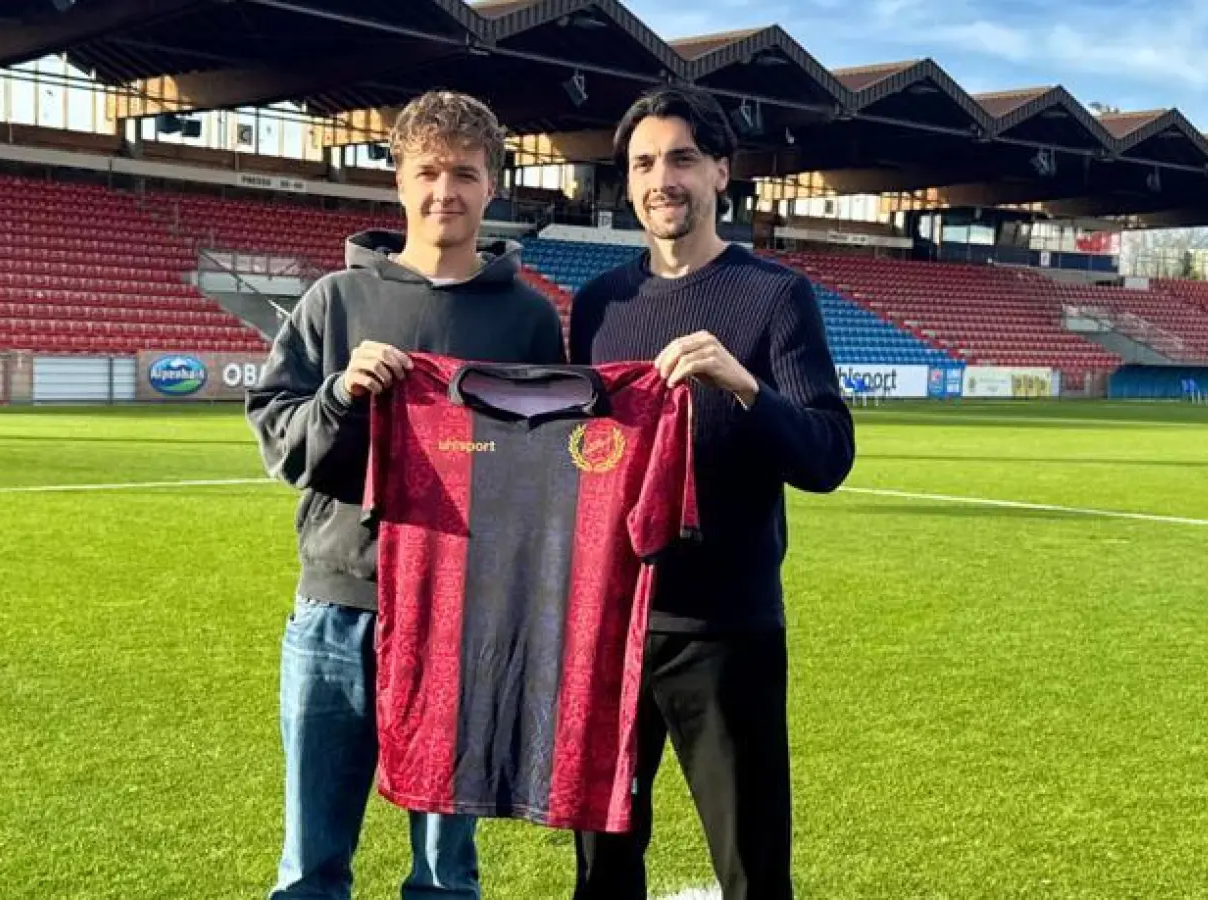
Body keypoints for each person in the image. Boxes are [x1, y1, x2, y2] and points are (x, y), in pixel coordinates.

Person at [245, 90, 565, 900]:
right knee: (311, 866)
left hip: (463, 618)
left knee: (445, 874)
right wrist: (340, 395)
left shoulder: (529, 320)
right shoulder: (334, 300)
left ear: (493, 186)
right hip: (337, 610)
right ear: (398, 181)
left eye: (464, 174)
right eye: (427, 172)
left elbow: (546, 474)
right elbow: (280, 441)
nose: (443, 192)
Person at [566, 85, 857, 900]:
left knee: (752, 872)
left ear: (721, 171)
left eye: (683, 159)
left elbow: (828, 456)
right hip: (612, 628)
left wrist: (744, 385)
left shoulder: (774, 296)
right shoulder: (597, 306)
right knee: (601, 872)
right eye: (644, 164)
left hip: (727, 633)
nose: (662, 179)